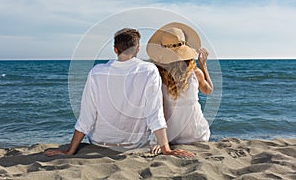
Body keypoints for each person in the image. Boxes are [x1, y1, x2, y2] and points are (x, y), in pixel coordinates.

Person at [45, 28, 194, 157]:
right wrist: (166, 149)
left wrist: (70, 151)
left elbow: (86, 117)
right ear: (137, 49)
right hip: (133, 144)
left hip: (99, 143)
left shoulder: (96, 73)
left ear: (115, 50)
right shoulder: (149, 71)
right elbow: (155, 113)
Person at [146, 22, 213, 148]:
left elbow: (159, 109)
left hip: (171, 136)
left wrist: (158, 141)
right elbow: (208, 90)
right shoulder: (195, 73)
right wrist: (203, 66)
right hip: (197, 135)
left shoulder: (158, 75)